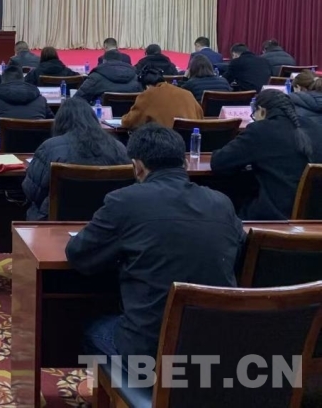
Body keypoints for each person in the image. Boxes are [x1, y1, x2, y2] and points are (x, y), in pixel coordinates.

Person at [67, 124, 244, 359]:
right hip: (216, 343)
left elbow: (79, 254)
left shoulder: (125, 201)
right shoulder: (222, 203)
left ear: (137, 166)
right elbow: (238, 247)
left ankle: (127, 382)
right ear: (185, 163)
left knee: (90, 329)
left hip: (150, 351)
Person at [212, 90, 322, 220]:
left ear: (262, 111)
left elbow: (219, 163)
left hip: (275, 215)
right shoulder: (315, 127)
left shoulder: (260, 130)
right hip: (314, 214)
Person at [22, 97, 130, 220]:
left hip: (56, 221)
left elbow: (31, 192)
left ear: (60, 122)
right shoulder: (118, 147)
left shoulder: (50, 147)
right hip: (107, 221)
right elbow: (127, 189)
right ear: (93, 119)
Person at [0, 65, 52, 130]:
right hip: (37, 143)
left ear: (2, 81)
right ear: (23, 80)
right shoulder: (40, 99)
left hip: (3, 144)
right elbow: (53, 123)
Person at [121, 67, 203, 129]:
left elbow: (128, 122)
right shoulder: (188, 94)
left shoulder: (148, 95)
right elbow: (200, 116)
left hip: (163, 142)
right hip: (191, 142)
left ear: (147, 87)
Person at [76, 53, 141, 104]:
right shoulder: (135, 76)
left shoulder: (96, 76)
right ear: (121, 61)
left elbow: (78, 98)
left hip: (100, 115)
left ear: (104, 61)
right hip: (131, 115)